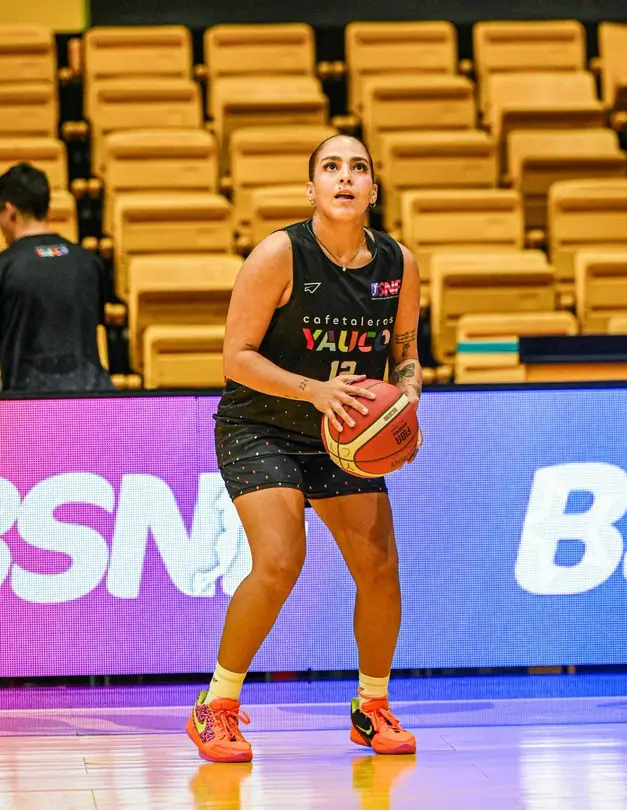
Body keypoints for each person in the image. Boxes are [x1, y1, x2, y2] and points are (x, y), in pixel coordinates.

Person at [186, 134, 423, 763]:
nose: (345, 177)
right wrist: (314, 390)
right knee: (281, 557)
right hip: (262, 424)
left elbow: (405, 353)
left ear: (373, 190)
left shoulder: (398, 263)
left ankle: (371, 707)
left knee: (379, 567)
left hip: (342, 431)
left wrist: (406, 401)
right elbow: (235, 358)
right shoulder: (279, 254)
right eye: (331, 167)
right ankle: (216, 706)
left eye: (358, 168)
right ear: (311, 189)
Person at [0, 163, 113, 393]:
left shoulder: (5, 267)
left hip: (30, 405)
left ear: (10, 211)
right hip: (92, 401)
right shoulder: (89, 262)